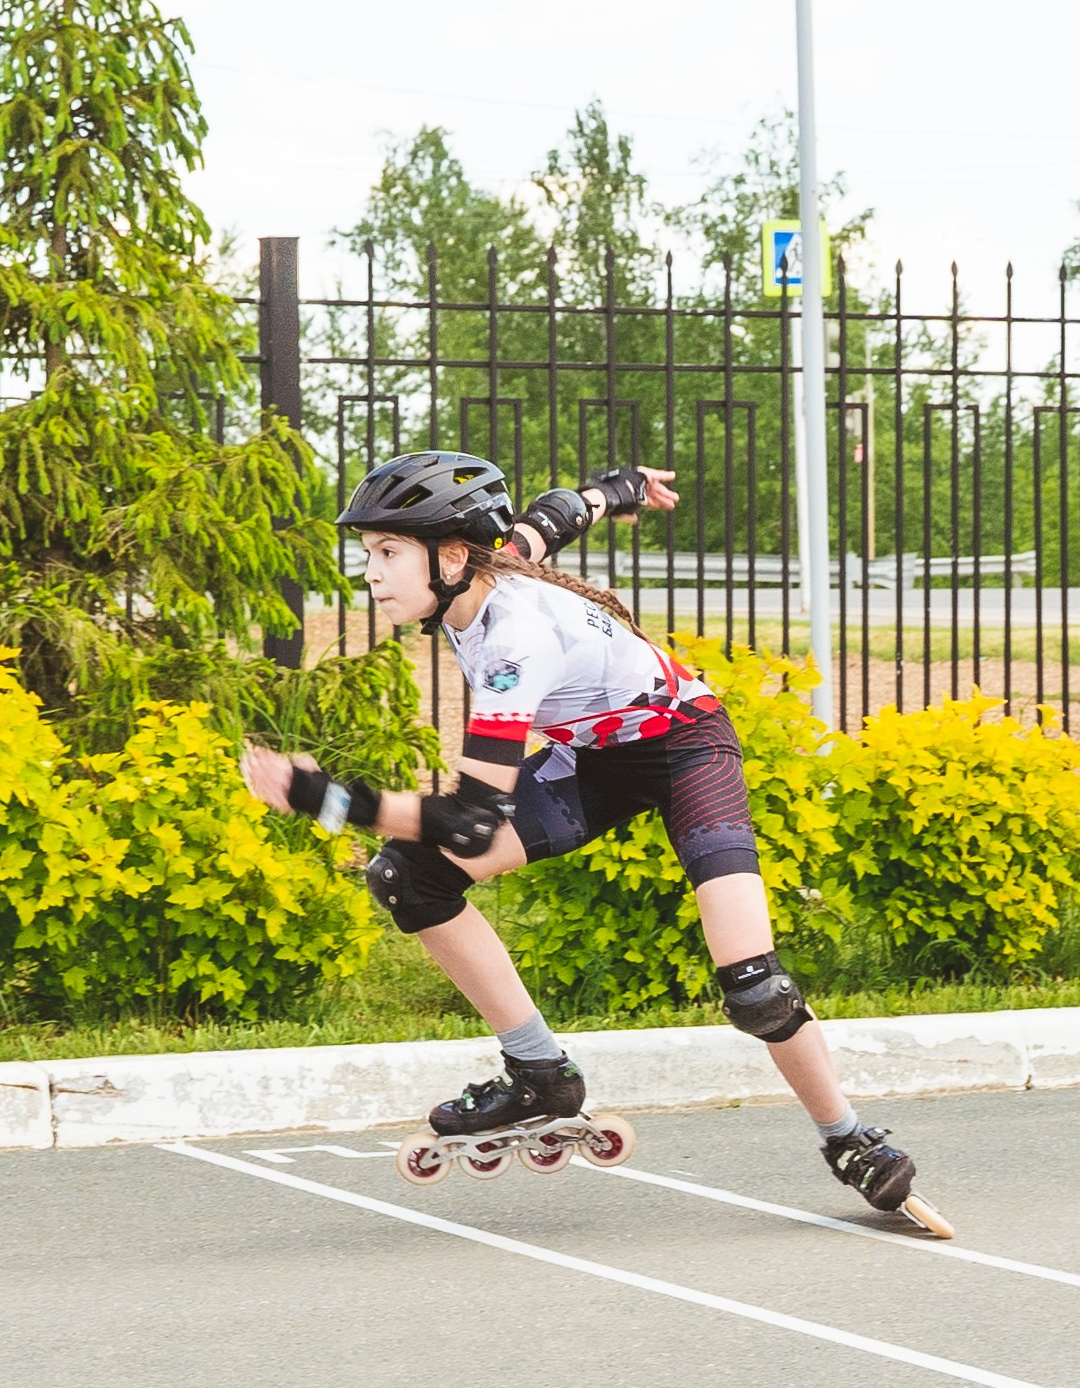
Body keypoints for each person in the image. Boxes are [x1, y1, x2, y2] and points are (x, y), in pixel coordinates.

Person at [242, 450, 922, 1215]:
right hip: (597, 758)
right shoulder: (495, 570)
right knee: (410, 875)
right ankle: (539, 1074)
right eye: (369, 552)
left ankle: (849, 1137)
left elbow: (471, 822)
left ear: (452, 555)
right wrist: (621, 489)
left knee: (755, 990)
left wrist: (321, 797)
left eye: (388, 552)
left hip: (686, 746)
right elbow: (553, 514)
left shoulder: (512, 644)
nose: (369, 572)